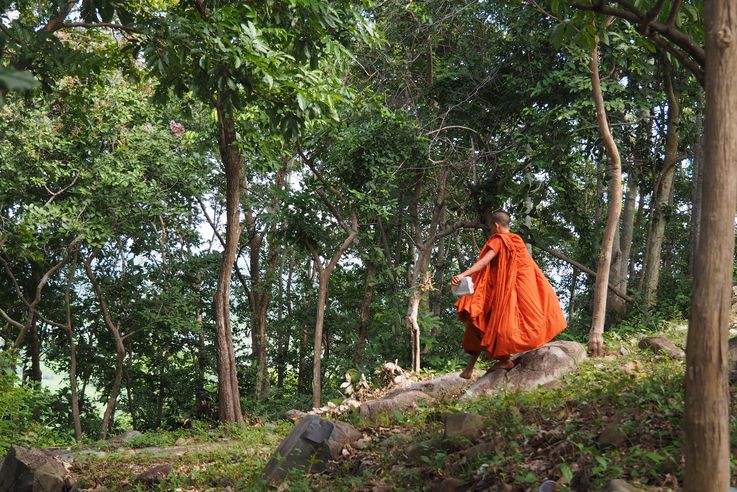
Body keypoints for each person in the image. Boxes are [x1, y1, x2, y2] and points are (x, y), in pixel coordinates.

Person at [451, 211, 567, 379]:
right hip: (512, 291)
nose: (491, 230)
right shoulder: (517, 239)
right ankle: (469, 369)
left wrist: (463, 275)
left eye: (491, 227)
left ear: (496, 225)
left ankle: (496, 361)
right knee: (479, 323)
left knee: (482, 323)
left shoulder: (499, 240)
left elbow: (484, 262)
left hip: (504, 293)